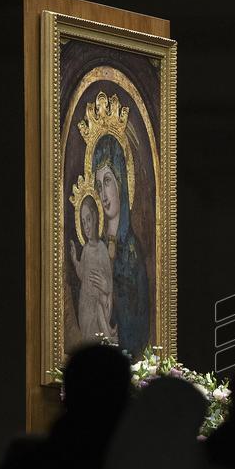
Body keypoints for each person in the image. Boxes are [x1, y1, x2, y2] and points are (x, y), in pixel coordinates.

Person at [93, 134, 149, 359]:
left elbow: (138, 323)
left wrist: (112, 292)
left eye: (107, 181)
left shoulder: (133, 250)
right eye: (98, 186)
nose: (103, 196)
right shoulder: (95, 245)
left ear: (121, 181)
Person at [69, 195, 117, 343]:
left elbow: (109, 281)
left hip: (99, 306)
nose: (87, 226)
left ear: (96, 217)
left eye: (88, 219)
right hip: (85, 307)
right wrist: (75, 260)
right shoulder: (85, 250)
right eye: (83, 222)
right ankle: (108, 334)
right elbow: (82, 274)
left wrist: (106, 286)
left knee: (99, 308)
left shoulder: (102, 249)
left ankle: (108, 334)